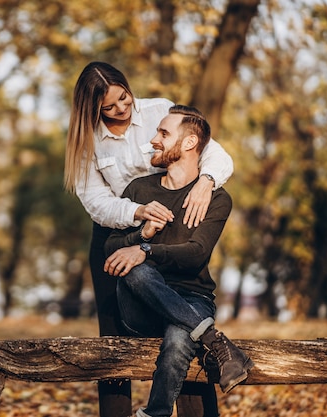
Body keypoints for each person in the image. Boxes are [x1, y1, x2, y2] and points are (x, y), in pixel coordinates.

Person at [64, 61, 233, 417]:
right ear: (92, 108)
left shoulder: (159, 110)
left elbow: (210, 149)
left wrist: (206, 181)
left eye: (124, 98)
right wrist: (137, 214)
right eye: (108, 107)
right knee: (112, 343)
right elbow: (96, 201)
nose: (121, 110)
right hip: (117, 229)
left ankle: (198, 403)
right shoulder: (86, 139)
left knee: (180, 325)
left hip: (173, 226)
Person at [104, 105, 253, 417]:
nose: (154, 140)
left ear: (189, 143)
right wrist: (141, 236)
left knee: (177, 337)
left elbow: (196, 253)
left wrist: (146, 250)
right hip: (140, 307)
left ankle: (154, 413)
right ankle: (212, 337)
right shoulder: (139, 189)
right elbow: (112, 247)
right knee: (136, 271)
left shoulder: (218, 198)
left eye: (163, 133)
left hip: (192, 298)